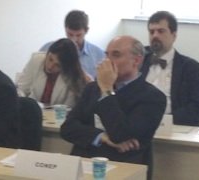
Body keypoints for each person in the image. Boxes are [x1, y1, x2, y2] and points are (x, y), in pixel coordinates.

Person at [60, 35, 165, 167]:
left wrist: (107, 91)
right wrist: (101, 136)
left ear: (136, 61)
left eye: (116, 55)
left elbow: (121, 135)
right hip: (84, 162)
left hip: (123, 165)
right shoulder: (92, 89)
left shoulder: (152, 97)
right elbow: (67, 128)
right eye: (106, 55)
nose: (107, 61)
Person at [140, 11, 199, 126]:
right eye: (151, 32)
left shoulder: (190, 67)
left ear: (174, 35)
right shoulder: (139, 60)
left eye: (161, 31)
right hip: (139, 125)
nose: (155, 36)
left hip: (173, 127)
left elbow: (196, 109)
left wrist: (163, 121)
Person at [17, 38, 90, 108]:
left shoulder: (72, 76)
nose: (50, 66)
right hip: (33, 111)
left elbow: (68, 108)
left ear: (65, 67)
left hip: (58, 116)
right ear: (48, 52)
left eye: (57, 65)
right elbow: (21, 89)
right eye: (50, 59)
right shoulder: (36, 60)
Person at [40, 10, 106, 79]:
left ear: (86, 31)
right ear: (65, 29)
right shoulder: (47, 49)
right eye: (70, 34)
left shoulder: (100, 55)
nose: (74, 39)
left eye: (78, 35)